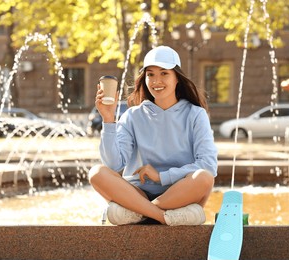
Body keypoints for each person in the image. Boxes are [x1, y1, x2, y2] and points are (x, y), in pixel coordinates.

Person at [88, 46, 218, 226]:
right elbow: (114, 165)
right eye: (150, 74)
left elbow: (208, 164)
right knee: (96, 173)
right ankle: (163, 217)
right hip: (137, 192)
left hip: (179, 193)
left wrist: (162, 177)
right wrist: (108, 119)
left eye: (164, 73)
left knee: (204, 177)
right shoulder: (132, 116)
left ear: (177, 78)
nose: (156, 80)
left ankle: (140, 212)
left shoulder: (195, 114)